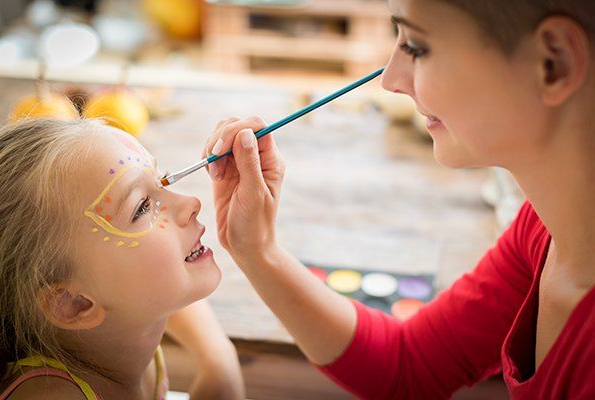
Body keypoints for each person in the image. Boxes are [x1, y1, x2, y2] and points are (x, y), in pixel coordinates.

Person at [201, 0, 595, 398]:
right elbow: (409, 365)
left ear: (553, 63)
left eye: (418, 48)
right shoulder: (544, 228)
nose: (390, 80)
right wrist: (257, 250)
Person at [0, 119, 244, 400]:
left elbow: (159, 283)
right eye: (142, 208)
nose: (190, 203)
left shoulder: (124, 320)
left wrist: (218, 358)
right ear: (72, 304)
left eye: (162, 179)